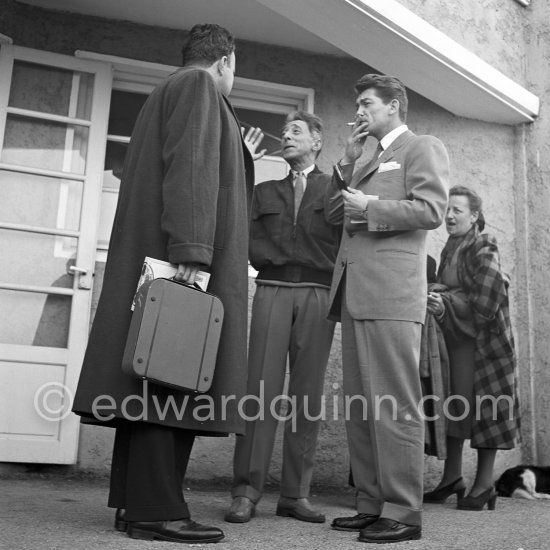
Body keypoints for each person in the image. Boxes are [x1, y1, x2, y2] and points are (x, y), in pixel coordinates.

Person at [72, 24, 255, 544]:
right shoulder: (199, 88)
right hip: (182, 260)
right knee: (174, 379)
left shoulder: (164, 91)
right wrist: (192, 254)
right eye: (235, 68)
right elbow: (192, 171)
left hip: (162, 253)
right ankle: (156, 510)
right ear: (225, 61)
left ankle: (136, 503)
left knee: (151, 377)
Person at [325, 74, 449, 544]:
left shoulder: (422, 147)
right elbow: (336, 216)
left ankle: (403, 512)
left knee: (395, 404)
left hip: (393, 294)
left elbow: (431, 210)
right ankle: (371, 503)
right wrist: (346, 162)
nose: (358, 111)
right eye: (357, 104)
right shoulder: (366, 159)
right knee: (362, 407)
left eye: (366, 103)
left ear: (393, 106)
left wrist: (372, 203)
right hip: (356, 292)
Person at [225, 111, 341, 524]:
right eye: (285, 132)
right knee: (258, 393)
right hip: (272, 290)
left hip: (317, 294)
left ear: (317, 141)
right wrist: (241, 162)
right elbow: (232, 218)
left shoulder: (336, 188)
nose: (287, 136)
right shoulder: (261, 190)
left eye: (297, 132)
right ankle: (246, 490)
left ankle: (295, 494)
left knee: (306, 398)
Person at [424, 185, 519, 511]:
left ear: (475, 216)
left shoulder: (483, 244)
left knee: (484, 412)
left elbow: (490, 291)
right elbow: (454, 287)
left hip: (484, 346)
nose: (449, 216)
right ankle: (452, 479)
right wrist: (440, 293)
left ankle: (484, 484)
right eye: (447, 210)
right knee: (456, 406)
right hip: (459, 341)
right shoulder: (453, 246)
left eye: (457, 211)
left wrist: (447, 302)